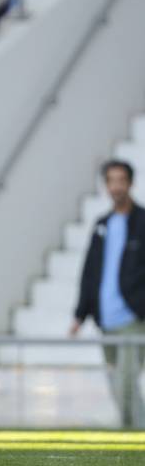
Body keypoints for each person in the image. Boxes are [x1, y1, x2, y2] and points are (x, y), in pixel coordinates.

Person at [72, 160, 145, 426]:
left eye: (121, 180)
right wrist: (80, 315)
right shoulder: (102, 224)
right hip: (107, 321)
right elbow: (90, 271)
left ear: (130, 183)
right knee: (117, 384)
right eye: (111, 180)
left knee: (126, 383)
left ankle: (137, 438)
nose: (116, 186)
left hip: (134, 320)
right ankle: (131, 439)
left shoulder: (142, 222)